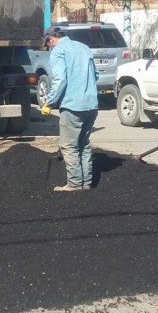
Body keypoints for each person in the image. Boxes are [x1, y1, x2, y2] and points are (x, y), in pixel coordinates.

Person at [40, 26, 99, 191]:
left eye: (48, 44)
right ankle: (86, 184)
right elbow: (96, 75)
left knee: (69, 146)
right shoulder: (84, 48)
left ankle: (74, 184)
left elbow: (60, 80)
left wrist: (49, 102)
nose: (49, 47)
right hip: (91, 104)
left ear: (51, 39)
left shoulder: (58, 52)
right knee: (84, 144)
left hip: (73, 106)